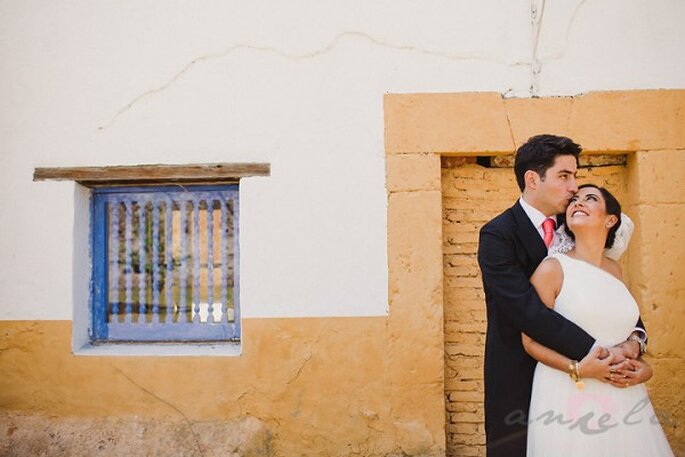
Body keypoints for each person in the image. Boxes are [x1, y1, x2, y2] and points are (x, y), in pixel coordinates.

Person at [477, 134, 649, 457]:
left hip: (585, 382)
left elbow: (607, 295)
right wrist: (599, 354)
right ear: (532, 179)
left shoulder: (577, 224)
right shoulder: (497, 235)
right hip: (519, 376)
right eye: (564, 176)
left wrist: (635, 342)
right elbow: (528, 311)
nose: (574, 188)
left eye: (576, 176)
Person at [523, 184, 673, 455]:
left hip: (623, 393)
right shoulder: (552, 268)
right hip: (567, 390)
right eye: (574, 200)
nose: (577, 203)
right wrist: (578, 369)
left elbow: (626, 330)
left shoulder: (615, 271)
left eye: (590, 198)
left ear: (611, 219)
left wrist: (643, 368)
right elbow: (530, 340)